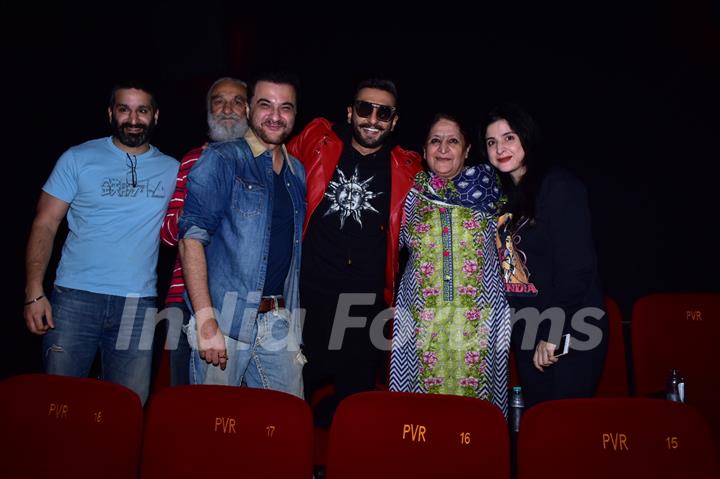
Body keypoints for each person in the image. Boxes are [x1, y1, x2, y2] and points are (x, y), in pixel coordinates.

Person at [23, 81, 179, 404]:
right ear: (110, 113)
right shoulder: (78, 158)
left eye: (142, 110)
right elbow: (45, 223)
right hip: (73, 300)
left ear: (156, 116)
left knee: (128, 409)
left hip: (137, 306)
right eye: (124, 109)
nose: (133, 118)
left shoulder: (172, 170)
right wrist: (33, 291)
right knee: (57, 404)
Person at [288, 78, 422, 427]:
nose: (372, 119)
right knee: (289, 404)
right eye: (365, 109)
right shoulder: (317, 140)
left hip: (364, 312)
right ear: (350, 113)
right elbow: (272, 158)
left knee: (354, 414)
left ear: (394, 121)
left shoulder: (408, 169)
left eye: (383, 113)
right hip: (307, 301)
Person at [178, 72, 306, 396]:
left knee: (286, 427)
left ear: (294, 114)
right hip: (225, 318)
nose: (276, 116)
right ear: (250, 109)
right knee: (213, 429)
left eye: (285, 107)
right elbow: (190, 238)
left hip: (278, 318)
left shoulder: (297, 172)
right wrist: (206, 321)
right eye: (266, 105)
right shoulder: (223, 159)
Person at [480, 103, 607, 408]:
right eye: (492, 142)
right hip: (528, 330)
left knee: (563, 431)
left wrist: (553, 332)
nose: (500, 148)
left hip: (572, 328)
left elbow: (577, 268)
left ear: (527, 138)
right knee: (539, 431)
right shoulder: (503, 198)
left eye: (509, 138)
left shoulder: (558, 186)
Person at [389, 113, 511, 413]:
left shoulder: (494, 193)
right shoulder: (410, 194)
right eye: (435, 141)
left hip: (480, 326)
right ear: (424, 148)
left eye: (452, 141)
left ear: (467, 150)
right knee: (418, 421)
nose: (443, 148)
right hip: (420, 326)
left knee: (476, 421)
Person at [160, 77, 248, 386]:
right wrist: (203, 203)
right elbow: (169, 234)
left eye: (237, 101)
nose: (228, 108)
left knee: (235, 408)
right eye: (218, 101)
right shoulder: (193, 160)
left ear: (249, 109)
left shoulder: (262, 163)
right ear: (208, 110)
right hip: (182, 298)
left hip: (242, 301)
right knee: (183, 402)